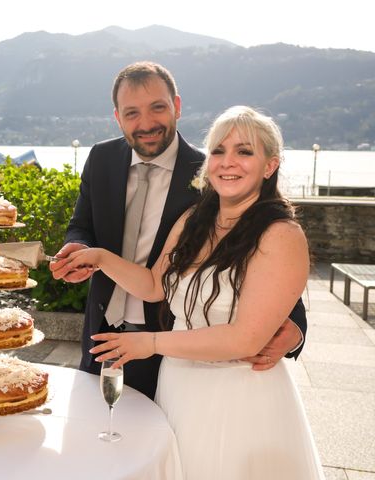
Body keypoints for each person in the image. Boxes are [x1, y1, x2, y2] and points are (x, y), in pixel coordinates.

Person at [64, 105, 324, 479]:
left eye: (244, 151)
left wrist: (150, 343)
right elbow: (155, 286)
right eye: (218, 150)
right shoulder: (194, 219)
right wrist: (102, 258)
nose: (227, 161)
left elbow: (246, 338)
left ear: (269, 166)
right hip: (178, 391)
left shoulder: (281, 235)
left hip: (239, 402)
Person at [50, 61, 306, 399]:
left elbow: (269, 259)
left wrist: (297, 327)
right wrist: (82, 252)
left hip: (175, 351)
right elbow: (82, 227)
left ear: (177, 107)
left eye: (157, 107)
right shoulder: (101, 159)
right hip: (102, 338)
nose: (145, 123)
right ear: (118, 117)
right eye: (131, 113)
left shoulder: (212, 174)